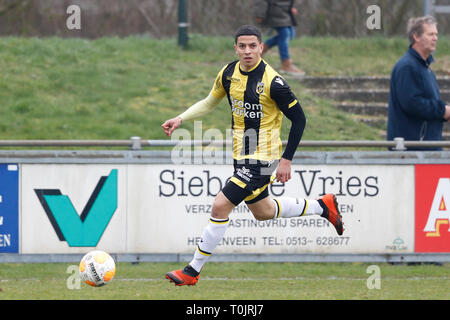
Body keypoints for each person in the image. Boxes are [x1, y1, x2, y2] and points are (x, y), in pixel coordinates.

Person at [161, 25, 343, 286]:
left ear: (261, 47)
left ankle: (192, 271)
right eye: (242, 46)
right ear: (235, 48)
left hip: (264, 158)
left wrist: (286, 159)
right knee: (264, 211)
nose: (247, 51)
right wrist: (180, 118)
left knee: (220, 205)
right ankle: (322, 206)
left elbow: (300, 120)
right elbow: (209, 102)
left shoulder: (274, 82)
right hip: (242, 156)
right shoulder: (227, 73)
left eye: (253, 46)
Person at [387, 16, 450, 150]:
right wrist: (443, 110)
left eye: (436, 34)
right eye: (430, 34)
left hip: (428, 147)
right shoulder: (407, 67)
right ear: (416, 37)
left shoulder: (426, 69)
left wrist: (444, 111)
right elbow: (412, 103)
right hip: (413, 150)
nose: (435, 38)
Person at [254, 0, 304, 76]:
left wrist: (291, 7)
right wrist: (259, 14)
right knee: (285, 34)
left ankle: (261, 49)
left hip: (285, 12)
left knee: (290, 35)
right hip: (274, 11)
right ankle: (286, 64)